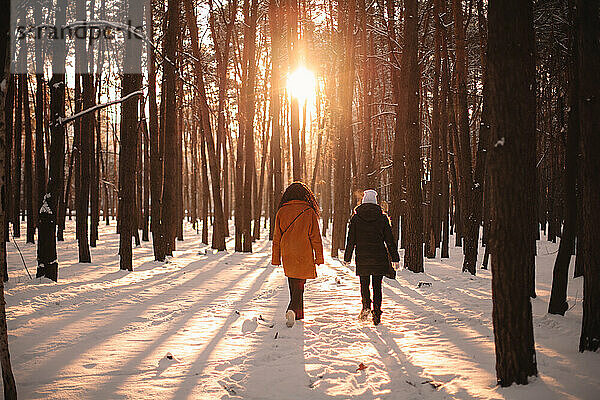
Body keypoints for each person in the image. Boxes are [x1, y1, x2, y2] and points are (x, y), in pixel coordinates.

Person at [343, 189, 399, 325]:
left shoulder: (356, 218)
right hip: (379, 256)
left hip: (362, 256)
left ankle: (366, 306)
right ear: (375, 201)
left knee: (364, 284)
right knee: (377, 286)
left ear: (363, 201)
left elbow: (351, 239)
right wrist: (395, 258)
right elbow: (389, 240)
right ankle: (377, 313)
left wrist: (347, 257)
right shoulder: (382, 218)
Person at [272, 182, 324, 328]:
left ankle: (298, 314)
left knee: (293, 282)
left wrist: (276, 258)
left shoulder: (282, 211)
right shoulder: (309, 211)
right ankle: (292, 309)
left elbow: (277, 237)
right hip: (304, 252)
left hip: (287, 253)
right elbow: (316, 237)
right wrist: (319, 257)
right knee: (300, 285)